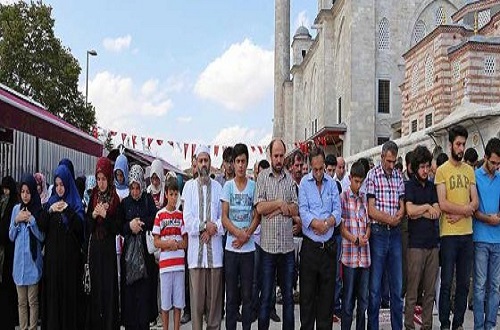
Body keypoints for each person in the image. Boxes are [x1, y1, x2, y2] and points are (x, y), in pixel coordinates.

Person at [435, 125, 478, 330]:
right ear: (450, 144)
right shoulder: (442, 171)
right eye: (458, 144)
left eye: (463, 144)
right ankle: (444, 323)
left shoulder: (470, 170)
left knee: (463, 283)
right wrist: (466, 209)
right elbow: (442, 204)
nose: (461, 148)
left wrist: (461, 211)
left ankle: (458, 323)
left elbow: (475, 202)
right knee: (446, 283)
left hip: (467, 234)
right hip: (449, 235)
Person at [254, 138, 298, 330]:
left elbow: (295, 209)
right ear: (270, 156)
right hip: (268, 250)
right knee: (266, 298)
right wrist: (280, 204)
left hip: (287, 250)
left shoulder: (290, 179)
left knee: (288, 298)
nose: (279, 159)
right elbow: (260, 207)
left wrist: (280, 208)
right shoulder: (262, 178)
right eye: (275, 156)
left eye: (281, 156)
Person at [298, 146, 341, 329]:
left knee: (326, 301)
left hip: (328, 250)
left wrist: (329, 222)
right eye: (315, 169)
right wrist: (316, 224)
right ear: (310, 167)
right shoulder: (304, 185)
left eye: (321, 169)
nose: (318, 173)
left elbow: (338, 210)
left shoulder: (332, 184)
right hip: (310, 249)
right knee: (307, 299)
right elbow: (303, 210)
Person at [183, 145, 224, 330]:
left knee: (214, 308)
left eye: (206, 160)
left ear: (210, 162)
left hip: (214, 257)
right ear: (196, 164)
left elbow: (223, 218)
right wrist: (203, 227)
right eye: (200, 161)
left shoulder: (218, 187)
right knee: (197, 307)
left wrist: (211, 229)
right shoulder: (188, 187)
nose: (203, 164)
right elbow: (187, 219)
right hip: (196, 259)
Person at [40, 164, 86, 330]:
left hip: (70, 266)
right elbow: (42, 226)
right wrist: (50, 210)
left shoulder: (75, 203)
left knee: (68, 302)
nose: (59, 188)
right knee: (54, 301)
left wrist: (67, 211)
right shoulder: (50, 203)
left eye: (62, 185)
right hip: (52, 265)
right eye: (57, 184)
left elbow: (81, 230)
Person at [366, 140, 405, 330]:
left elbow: (402, 203)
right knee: (374, 288)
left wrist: (400, 212)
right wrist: (390, 219)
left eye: (393, 161)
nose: (391, 165)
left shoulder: (398, 176)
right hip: (379, 233)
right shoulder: (372, 176)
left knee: (397, 288)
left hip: (395, 233)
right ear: (382, 157)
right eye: (388, 161)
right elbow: (371, 210)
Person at [221, 143, 260, 330]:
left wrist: (247, 235)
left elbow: (257, 215)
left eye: (243, 161)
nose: (240, 165)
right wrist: (238, 234)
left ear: (247, 162)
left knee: (247, 296)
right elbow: (224, 217)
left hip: (249, 249)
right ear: (233, 163)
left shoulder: (254, 186)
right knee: (232, 297)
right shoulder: (228, 187)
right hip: (231, 248)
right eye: (237, 161)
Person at [404, 146, 441, 330]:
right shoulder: (409, 185)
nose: (425, 170)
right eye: (422, 167)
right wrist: (426, 207)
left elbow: (437, 212)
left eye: (428, 166)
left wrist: (423, 210)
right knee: (412, 292)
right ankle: (409, 325)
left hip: (433, 245)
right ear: (415, 167)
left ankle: (427, 326)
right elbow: (409, 211)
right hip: (415, 246)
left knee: (430, 292)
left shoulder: (432, 186)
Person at [120, 164, 158, 330]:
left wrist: (140, 224)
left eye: (137, 188)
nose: (135, 192)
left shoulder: (148, 200)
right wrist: (129, 226)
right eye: (132, 188)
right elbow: (119, 225)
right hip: (129, 259)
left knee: (144, 301)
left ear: (142, 185)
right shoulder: (125, 202)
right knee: (130, 303)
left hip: (145, 259)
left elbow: (155, 219)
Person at [86, 157, 121, 330]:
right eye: (98, 179)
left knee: (108, 288)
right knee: (96, 289)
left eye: (104, 179)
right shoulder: (93, 196)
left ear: (109, 178)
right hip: (95, 249)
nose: (101, 183)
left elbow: (117, 227)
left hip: (108, 249)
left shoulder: (115, 198)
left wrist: (106, 217)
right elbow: (88, 226)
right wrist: (93, 216)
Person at [9, 174, 45, 330]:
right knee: (21, 302)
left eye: (28, 192)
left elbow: (41, 236)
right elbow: (11, 236)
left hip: (32, 265)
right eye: (23, 191)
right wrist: (17, 221)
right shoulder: (16, 209)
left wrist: (31, 221)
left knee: (33, 301)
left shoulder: (37, 209)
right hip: (19, 266)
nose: (25, 195)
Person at [472, 138, 500, 330]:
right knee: (480, 286)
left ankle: (490, 326)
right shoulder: (474, 177)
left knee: (495, 287)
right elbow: (472, 208)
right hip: (480, 238)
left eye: (499, 163)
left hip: (498, 240)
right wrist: (487, 219)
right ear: (485, 158)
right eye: (493, 162)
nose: (496, 167)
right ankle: (479, 326)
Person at [153, 179, 187, 330]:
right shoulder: (160, 215)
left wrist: (176, 245)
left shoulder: (181, 216)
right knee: (166, 304)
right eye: (171, 194)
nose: (174, 197)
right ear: (166, 194)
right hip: (165, 266)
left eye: (176, 194)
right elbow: (156, 241)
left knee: (178, 302)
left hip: (179, 265)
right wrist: (168, 244)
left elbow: (185, 242)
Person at [340, 161, 370, 330]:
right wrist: (355, 239)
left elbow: (369, 224)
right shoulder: (343, 198)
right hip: (350, 257)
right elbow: (341, 227)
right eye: (356, 181)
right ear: (350, 178)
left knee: (363, 300)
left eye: (361, 181)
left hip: (364, 258)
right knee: (348, 299)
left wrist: (366, 236)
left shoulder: (365, 198)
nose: (358, 185)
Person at [0, 176, 19, 330]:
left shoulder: (14, 205)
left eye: (7, 188)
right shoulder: (3, 204)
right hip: (4, 252)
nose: (5, 192)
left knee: (9, 286)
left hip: (10, 252)